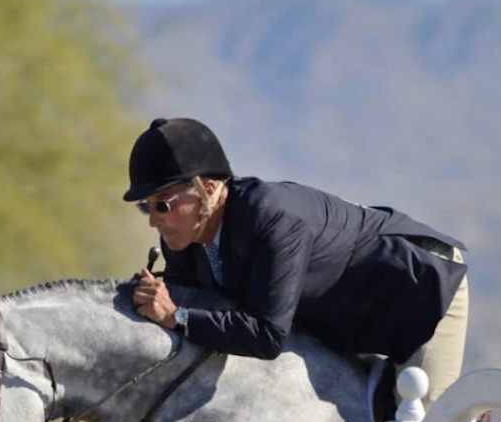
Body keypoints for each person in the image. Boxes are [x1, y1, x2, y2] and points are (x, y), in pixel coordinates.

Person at [127, 117, 470, 403]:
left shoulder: (273, 219)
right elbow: (198, 302)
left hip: (419, 291)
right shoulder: (183, 237)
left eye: (163, 204)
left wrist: (176, 316)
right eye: (146, 206)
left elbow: (266, 336)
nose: (153, 220)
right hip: (346, 321)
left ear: (211, 189)